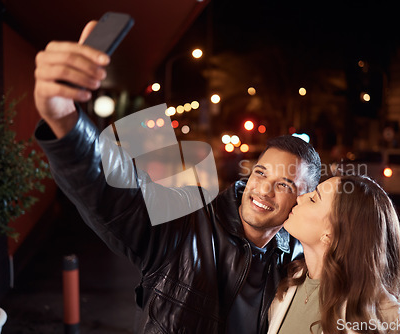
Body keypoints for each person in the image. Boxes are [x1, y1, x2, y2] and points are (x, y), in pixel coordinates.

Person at [33, 20, 322, 333]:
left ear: (303, 199)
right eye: (261, 172)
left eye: (284, 184)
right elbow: (119, 190)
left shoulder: (298, 259)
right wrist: (64, 118)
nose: (263, 189)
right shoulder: (189, 218)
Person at [268, 175, 400, 334]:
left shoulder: (380, 314)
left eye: (314, 199)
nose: (301, 197)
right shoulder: (287, 283)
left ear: (331, 234)